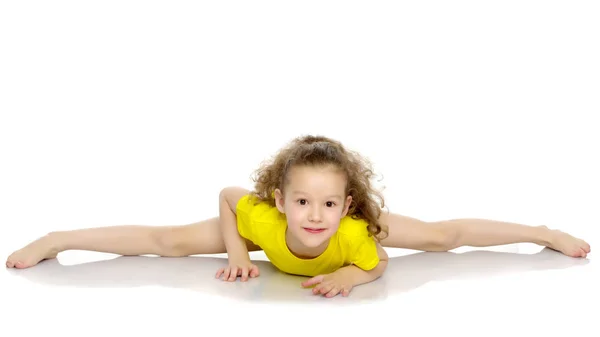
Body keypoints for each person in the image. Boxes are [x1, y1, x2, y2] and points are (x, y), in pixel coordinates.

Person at [5, 135, 591, 298]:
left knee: (442, 237)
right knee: (171, 242)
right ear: (283, 201)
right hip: (264, 241)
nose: (316, 213)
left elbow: (380, 260)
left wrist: (352, 275)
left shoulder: (356, 233)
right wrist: (237, 252)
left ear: (347, 206)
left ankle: (539, 232)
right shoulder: (262, 215)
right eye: (304, 201)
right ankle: (60, 239)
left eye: (329, 203)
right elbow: (229, 192)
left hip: (344, 245)